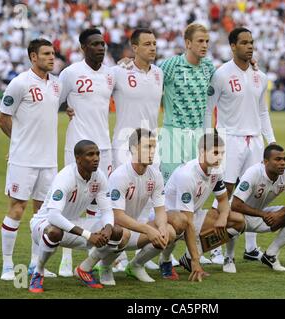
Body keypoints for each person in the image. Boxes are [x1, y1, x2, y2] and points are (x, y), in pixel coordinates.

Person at [205, 27, 276, 264]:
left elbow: (263, 111)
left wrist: (271, 141)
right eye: (244, 43)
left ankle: (251, 247)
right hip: (230, 139)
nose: (249, 46)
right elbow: (209, 108)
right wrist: (210, 139)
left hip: (255, 140)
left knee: (254, 193)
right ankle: (214, 245)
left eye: (251, 42)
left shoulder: (260, 76)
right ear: (233, 46)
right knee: (223, 192)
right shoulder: (221, 74)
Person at [0, 38, 61, 281]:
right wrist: (17, 143)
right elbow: (3, 118)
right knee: (17, 208)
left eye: (53, 53)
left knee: (42, 213)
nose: (51, 57)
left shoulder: (56, 85)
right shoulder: (19, 83)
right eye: (46, 54)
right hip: (23, 160)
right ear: (33, 57)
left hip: (48, 161)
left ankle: (36, 263)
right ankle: (7, 265)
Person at [158, 23, 218, 265]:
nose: (205, 45)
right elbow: (148, 79)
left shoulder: (209, 68)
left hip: (197, 137)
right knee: (168, 193)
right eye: (200, 41)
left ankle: (193, 249)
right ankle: (161, 249)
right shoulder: (171, 65)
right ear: (188, 43)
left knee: (197, 191)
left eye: (207, 41)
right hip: (173, 133)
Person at [28, 140, 123, 293]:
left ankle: (85, 269)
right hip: (44, 224)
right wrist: (87, 235)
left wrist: (107, 227)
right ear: (78, 158)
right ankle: (38, 272)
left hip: (74, 223)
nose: (96, 158)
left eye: (97, 154)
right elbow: (53, 216)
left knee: (117, 232)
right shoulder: (65, 176)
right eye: (90, 154)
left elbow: (107, 210)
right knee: (54, 232)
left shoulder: (99, 177)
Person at [58, 28, 116, 277]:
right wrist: (66, 108)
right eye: (94, 44)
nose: (100, 48)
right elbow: (55, 99)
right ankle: (65, 256)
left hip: (104, 146)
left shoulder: (111, 74)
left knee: (100, 199)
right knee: (71, 200)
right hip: (77, 146)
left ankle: (95, 253)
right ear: (83, 48)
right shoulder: (70, 73)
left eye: (102, 44)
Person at [111, 28, 165, 272]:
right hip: (125, 144)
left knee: (146, 200)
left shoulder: (159, 74)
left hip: (151, 144)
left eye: (154, 43)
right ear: (134, 48)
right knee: (123, 201)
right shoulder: (118, 72)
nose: (152, 47)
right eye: (147, 44)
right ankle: (117, 254)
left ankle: (142, 255)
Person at [161, 132, 244, 281]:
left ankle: (188, 257)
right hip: (170, 219)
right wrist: (196, 261)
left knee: (238, 221)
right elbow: (187, 223)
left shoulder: (216, 170)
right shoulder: (187, 175)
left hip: (192, 215)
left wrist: (223, 218)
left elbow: (223, 200)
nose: (220, 157)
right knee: (180, 224)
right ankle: (165, 260)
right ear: (202, 152)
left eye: (222, 153)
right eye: (216, 153)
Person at [97, 128, 177, 285]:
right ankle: (105, 266)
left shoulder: (155, 175)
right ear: (133, 148)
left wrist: (161, 227)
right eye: (148, 146)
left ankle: (136, 265)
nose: (152, 151)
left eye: (154, 147)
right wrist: (148, 229)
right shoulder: (120, 175)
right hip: (111, 231)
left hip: (134, 230)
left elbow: (160, 210)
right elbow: (117, 216)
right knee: (123, 233)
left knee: (169, 232)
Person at [230, 144, 285, 272]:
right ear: (265, 162)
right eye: (277, 159)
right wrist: (263, 215)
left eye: (284, 159)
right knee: (232, 218)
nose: (282, 163)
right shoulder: (254, 172)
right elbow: (235, 204)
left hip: (263, 216)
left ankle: (270, 255)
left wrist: (279, 214)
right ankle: (229, 258)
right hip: (239, 216)